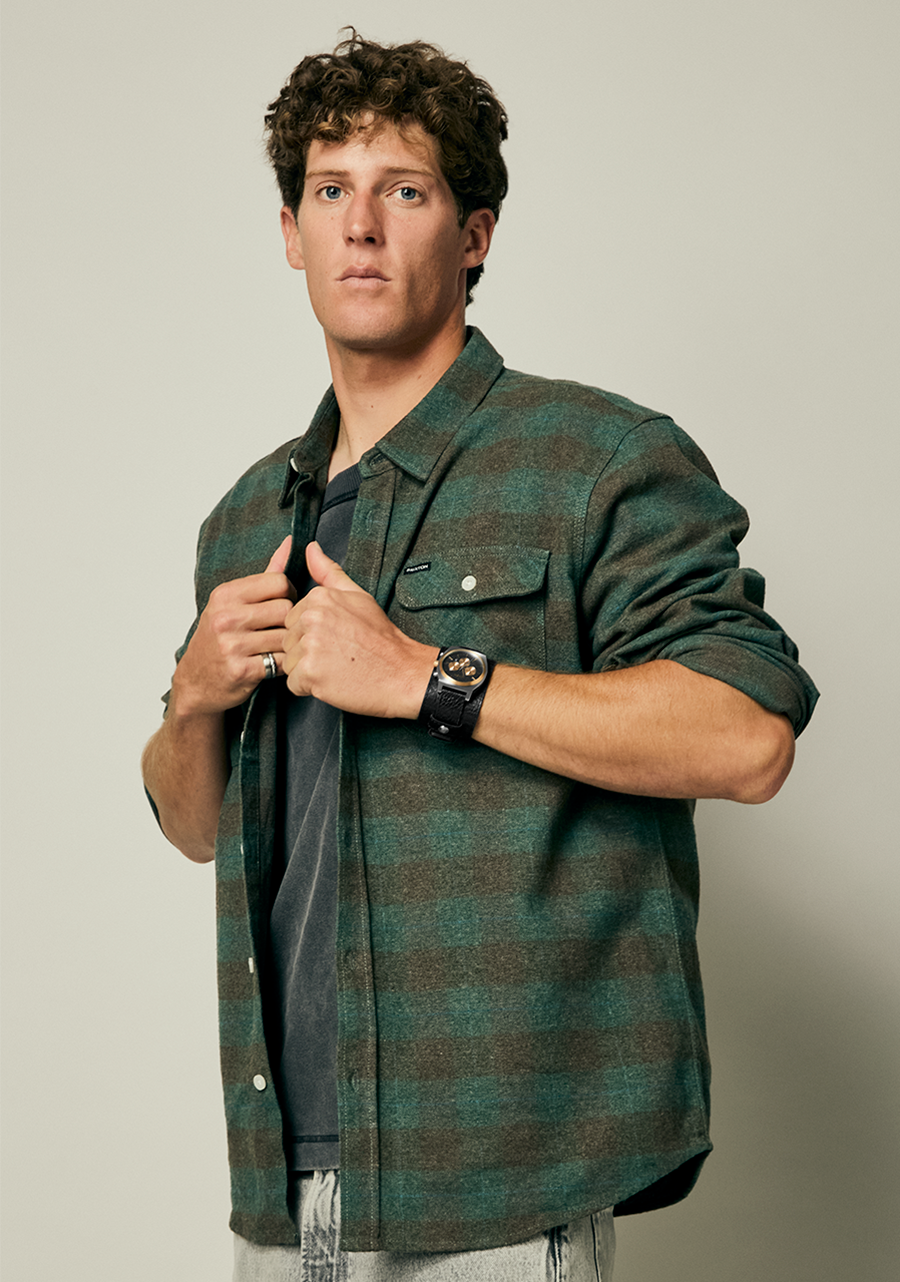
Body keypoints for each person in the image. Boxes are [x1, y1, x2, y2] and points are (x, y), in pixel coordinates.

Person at [141, 31, 818, 1282]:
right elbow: (195, 827)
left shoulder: (596, 458)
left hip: (502, 1179)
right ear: (289, 232)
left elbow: (747, 735)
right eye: (330, 191)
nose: (361, 227)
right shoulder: (246, 519)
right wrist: (192, 701)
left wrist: (427, 678)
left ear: (475, 235)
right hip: (288, 1187)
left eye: (404, 190)